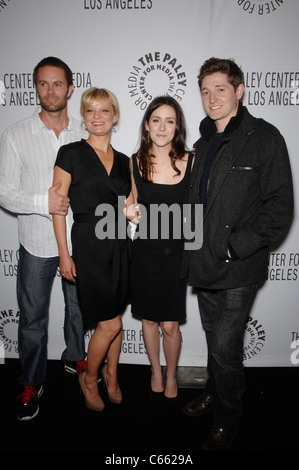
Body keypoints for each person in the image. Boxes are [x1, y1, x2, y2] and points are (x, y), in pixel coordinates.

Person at [182, 57, 294, 450]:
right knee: (215, 341)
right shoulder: (201, 141)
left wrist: (236, 246)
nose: (212, 98)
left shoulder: (264, 137)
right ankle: (215, 391)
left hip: (237, 266)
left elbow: (280, 206)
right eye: (205, 90)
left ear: (240, 90)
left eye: (221, 89)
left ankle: (228, 417)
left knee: (227, 349)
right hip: (203, 261)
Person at [0, 57, 87, 421]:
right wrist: (43, 202)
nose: (50, 91)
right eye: (42, 84)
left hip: (79, 241)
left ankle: (76, 360)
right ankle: (31, 381)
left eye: (57, 84)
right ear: (35, 87)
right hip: (36, 242)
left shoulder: (86, 130)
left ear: (70, 87)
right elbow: (4, 192)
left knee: (79, 310)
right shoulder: (16, 134)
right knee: (32, 317)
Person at [52, 87, 131, 411]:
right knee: (110, 323)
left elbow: (133, 206)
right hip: (89, 244)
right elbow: (57, 207)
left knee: (115, 321)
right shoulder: (70, 153)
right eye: (90, 111)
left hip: (120, 244)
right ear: (83, 117)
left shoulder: (126, 161)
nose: (97, 118)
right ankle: (90, 376)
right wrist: (64, 253)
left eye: (104, 111)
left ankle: (112, 376)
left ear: (115, 116)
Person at [128, 96, 193, 400]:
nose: (163, 127)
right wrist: (128, 210)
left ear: (177, 125)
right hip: (145, 254)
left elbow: (198, 211)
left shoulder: (190, 161)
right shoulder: (134, 161)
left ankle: (171, 374)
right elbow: (129, 204)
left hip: (176, 255)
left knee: (170, 324)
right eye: (156, 120)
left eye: (170, 120)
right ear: (147, 124)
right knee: (149, 320)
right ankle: (155, 369)